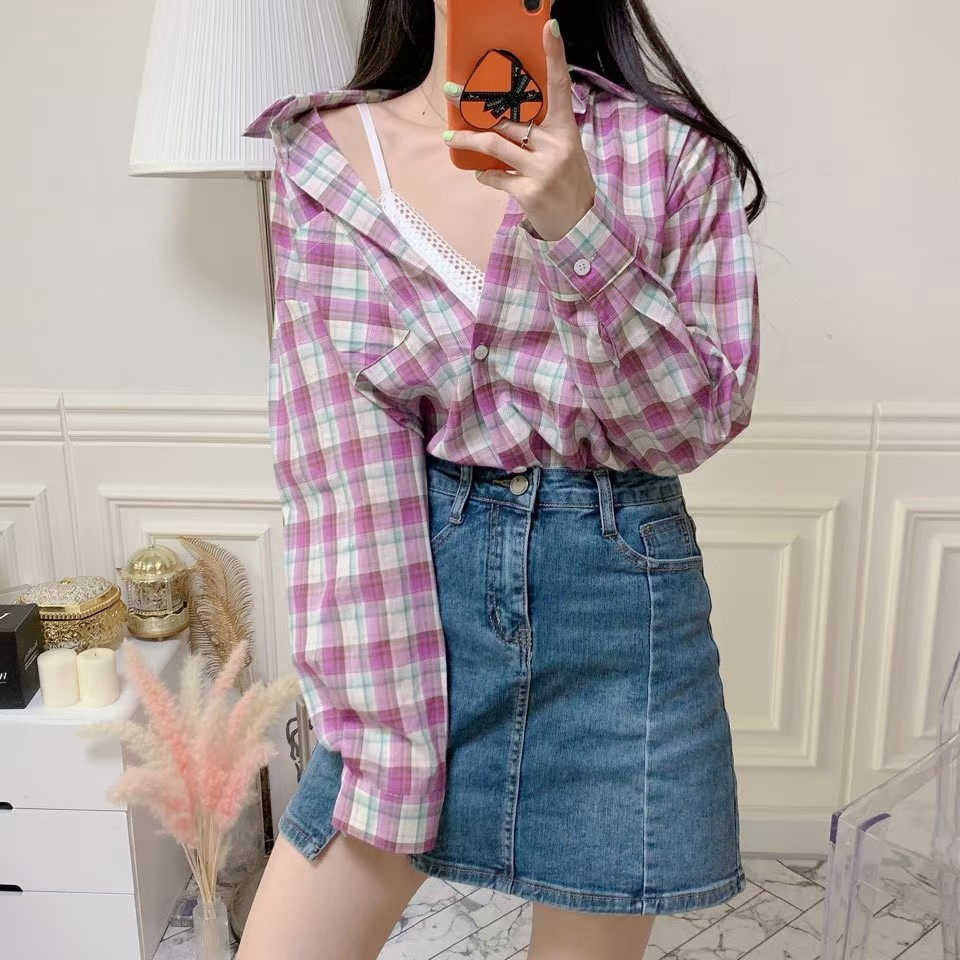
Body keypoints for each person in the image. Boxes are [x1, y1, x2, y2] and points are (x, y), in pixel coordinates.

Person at [237, 0, 764, 956]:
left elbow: (689, 428)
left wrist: (576, 223)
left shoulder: (672, 154)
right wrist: (383, 735)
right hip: (411, 594)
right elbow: (338, 471)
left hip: (619, 617)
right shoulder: (325, 160)